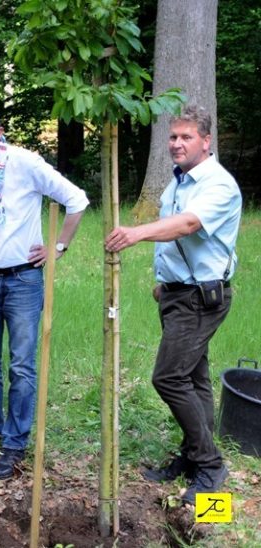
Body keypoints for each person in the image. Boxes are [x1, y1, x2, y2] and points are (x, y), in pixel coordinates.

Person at [0, 101, 89, 480]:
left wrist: (57, 248)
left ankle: (14, 442)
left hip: (24, 278)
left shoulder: (25, 164)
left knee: (22, 365)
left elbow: (76, 200)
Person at [105, 105, 240, 505]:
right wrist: (165, 284)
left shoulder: (217, 184)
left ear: (206, 141)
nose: (177, 144)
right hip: (179, 294)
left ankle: (210, 466)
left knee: (168, 378)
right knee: (194, 380)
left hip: (202, 298)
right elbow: (181, 238)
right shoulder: (178, 182)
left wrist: (135, 234)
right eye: (173, 137)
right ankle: (193, 457)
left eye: (186, 137)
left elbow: (188, 225)